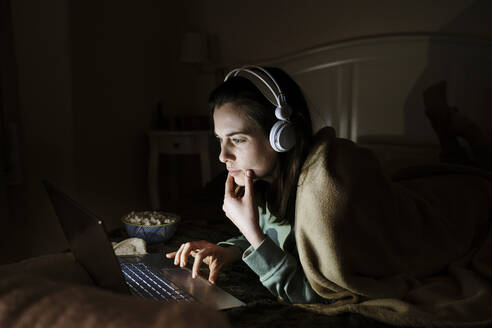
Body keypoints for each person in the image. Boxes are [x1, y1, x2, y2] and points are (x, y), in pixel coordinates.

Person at [165, 66, 326, 304]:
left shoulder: (320, 198)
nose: (222, 155)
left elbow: (313, 297)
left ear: (282, 137)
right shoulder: (264, 185)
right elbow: (271, 237)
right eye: (220, 139)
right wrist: (229, 251)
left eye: (237, 139)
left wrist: (251, 231)